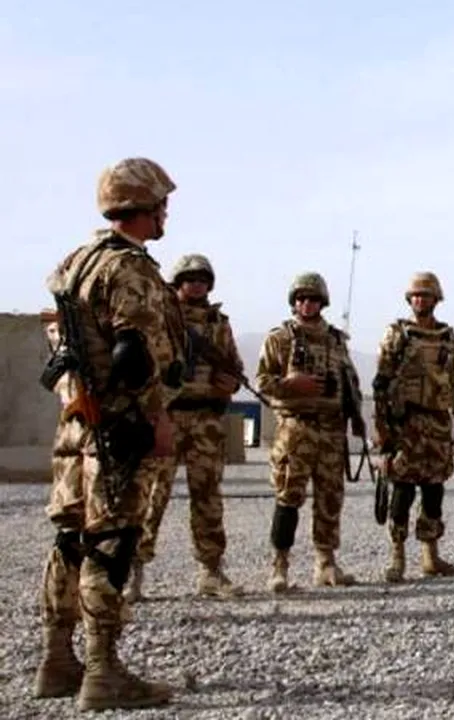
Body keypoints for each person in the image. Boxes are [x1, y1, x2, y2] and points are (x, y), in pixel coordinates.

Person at [37, 157, 185, 710]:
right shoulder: (129, 268)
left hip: (78, 424)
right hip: (119, 430)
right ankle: (102, 672)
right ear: (143, 204)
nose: (165, 212)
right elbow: (134, 355)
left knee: (70, 538)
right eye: (161, 203)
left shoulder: (76, 262)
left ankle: (56, 661)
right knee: (111, 542)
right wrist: (156, 417)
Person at [131, 253, 245, 601]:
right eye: (189, 279)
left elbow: (234, 366)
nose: (195, 285)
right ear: (177, 283)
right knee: (153, 495)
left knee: (208, 496)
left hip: (206, 419)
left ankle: (210, 570)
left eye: (202, 280)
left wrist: (229, 383)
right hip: (166, 415)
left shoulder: (218, 324)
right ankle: (134, 570)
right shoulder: (162, 318)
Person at [257, 272, 366, 591]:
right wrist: (290, 385)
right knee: (288, 497)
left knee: (330, 499)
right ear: (294, 302)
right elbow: (262, 381)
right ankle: (280, 566)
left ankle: (326, 564)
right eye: (301, 298)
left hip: (332, 431)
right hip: (296, 429)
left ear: (323, 302)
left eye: (314, 299)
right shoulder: (281, 338)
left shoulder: (337, 341)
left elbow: (350, 383)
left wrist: (356, 416)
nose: (307, 304)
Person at [372, 272, 454, 581]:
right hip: (406, 423)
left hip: (438, 422)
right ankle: (397, 557)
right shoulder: (397, 334)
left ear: (436, 299)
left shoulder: (447, 336)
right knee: (402, 489)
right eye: (415, 295)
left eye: (425, 295)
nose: (420, 300)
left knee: (434, 490)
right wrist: (381, 426)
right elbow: (381, 383)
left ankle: (431, 556)